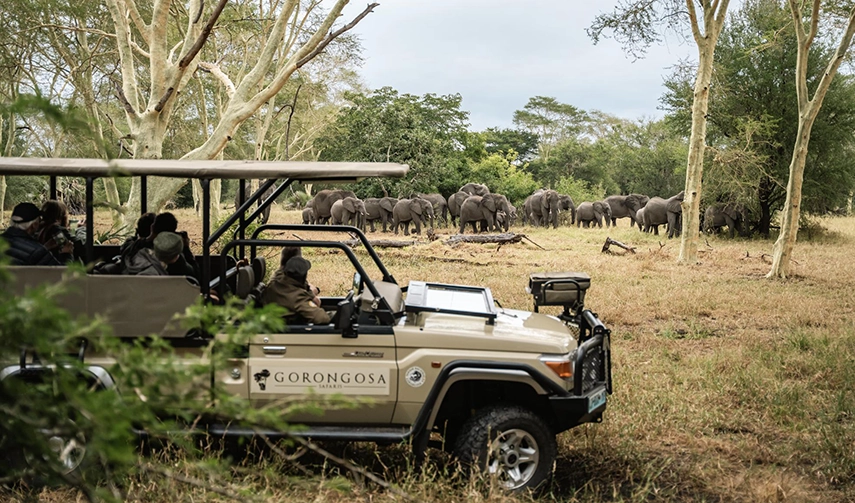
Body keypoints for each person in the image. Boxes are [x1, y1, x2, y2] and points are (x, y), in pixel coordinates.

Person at [123, 212, 198, 279]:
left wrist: (149, 238)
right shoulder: (172, 256)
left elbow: (125, 249)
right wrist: (186, 248)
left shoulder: (133, 251)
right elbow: (194, 276)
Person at [262, 255, 330, 324]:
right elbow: (322, 318)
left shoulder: (275, 283)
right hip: (288, 332)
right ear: (303, 277)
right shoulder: (297, 296)